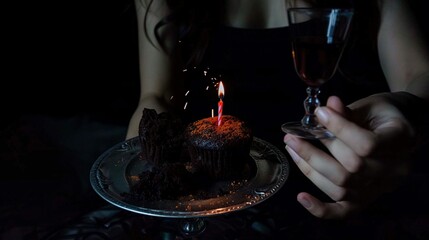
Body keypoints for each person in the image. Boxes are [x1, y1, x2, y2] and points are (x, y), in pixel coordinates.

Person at [126, 0, 429, 222]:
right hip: (205, 201)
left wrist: (407, 105)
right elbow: (156, 96)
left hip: (339, 196)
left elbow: (419, 76)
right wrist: (143, 163)